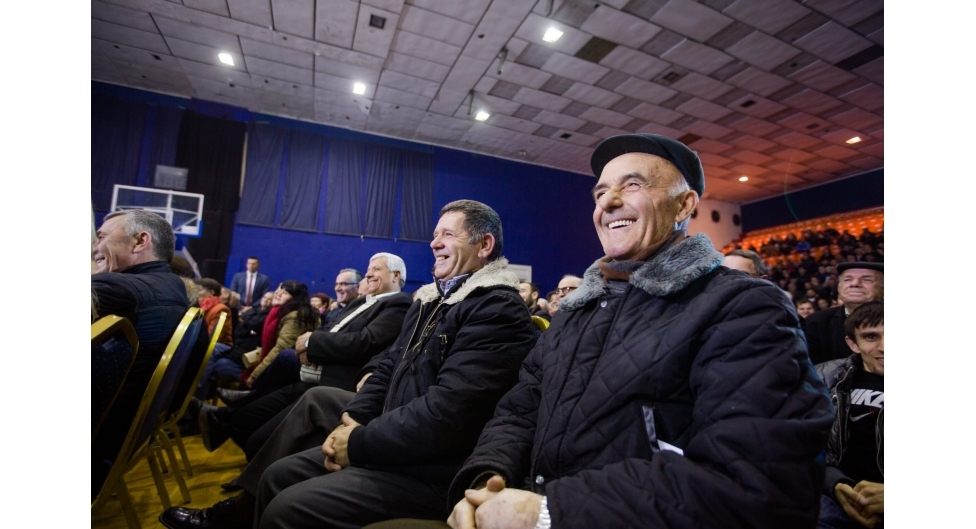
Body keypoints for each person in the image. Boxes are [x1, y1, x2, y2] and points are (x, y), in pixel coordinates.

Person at [432, 133, 832, 529]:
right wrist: (486, 481)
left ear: (684, 205)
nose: (608, 202)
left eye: (633, 185)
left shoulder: (743, 306)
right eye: (600, 192)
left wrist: (551, 513)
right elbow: (519, 412)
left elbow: (759, 486)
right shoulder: (575, 312)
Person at [159, 200, 537, 529]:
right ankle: (238, 501)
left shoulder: (496, 309)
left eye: (448, 235)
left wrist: (357, 442)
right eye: (435, 234)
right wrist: (356, 417)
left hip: (433, 466)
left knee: (288, 507)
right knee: (277, 475)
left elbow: (448, 414)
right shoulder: (431, 301)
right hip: (396, 437)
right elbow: (389, 365)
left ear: (484, 245)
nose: (434, 242)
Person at [199, 256, 413, 459]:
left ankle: (234, 422)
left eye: (376, 269)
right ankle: (229, 417)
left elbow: (365, 342)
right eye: (368, 269)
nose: (368, 274)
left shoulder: (399, 304)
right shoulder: (362, 303)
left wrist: (312, 342)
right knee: (245, 420)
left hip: (333, 380)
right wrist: (309, 345)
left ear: (396, 276)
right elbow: (331, 329)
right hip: (314, 372)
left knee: (258, 436)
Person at [91, 209, 190, 495]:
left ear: (139, 241)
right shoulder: (173, 285)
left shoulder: (119, 287)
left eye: (102, 237)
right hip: (120, 441)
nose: (95, 247)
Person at [815, 302, 884, 529]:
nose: (885, 347)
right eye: (871, 337)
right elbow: (800, 446)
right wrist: (834, 484)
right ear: (853, 344)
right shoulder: (824, 379)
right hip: (838, 498)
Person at [804, 262, 883, 365]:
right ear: (839, 288)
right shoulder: (816, 322)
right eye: (847, 279)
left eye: (867, 279)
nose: (855, 283)